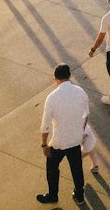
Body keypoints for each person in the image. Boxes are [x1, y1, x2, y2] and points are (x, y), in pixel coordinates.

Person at [37, 63, 89, 205]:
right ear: (69, 76)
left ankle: (53, 195)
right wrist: (80, 130)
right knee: (77, 168)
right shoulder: (80, 92)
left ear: (56, 79)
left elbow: (45, 125)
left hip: (59, 142)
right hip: (75, 140)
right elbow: (86, 114)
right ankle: (79, 195)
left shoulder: (52, 97)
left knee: (52, 168)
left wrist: (44, 144)